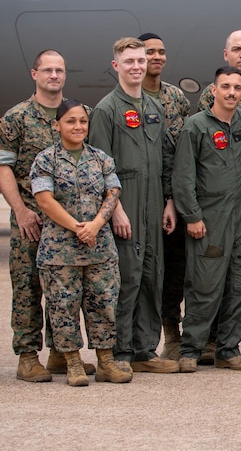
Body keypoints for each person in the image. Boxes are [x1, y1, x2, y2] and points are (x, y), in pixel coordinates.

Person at [1, 50, 95, 381]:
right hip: (31, 220)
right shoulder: (17, 117)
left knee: (67, 292)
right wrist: (21, 211)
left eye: (59, 70)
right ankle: (28, 356)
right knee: (27, 288)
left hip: (68, 223)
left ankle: (60, 353)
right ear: (34, 74)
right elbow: (4, 168)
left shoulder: (78, 113)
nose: (54, 75)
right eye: (48, 70)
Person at [88, 37, 179, 374]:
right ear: (116, 66)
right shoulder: (106, 110)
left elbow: (165, 158)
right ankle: (120, 352)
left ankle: (145, 350)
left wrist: (169, 202)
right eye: (129, 62)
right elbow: (99, 167)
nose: (137, 67)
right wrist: (116, 210)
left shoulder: (154, 108)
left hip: (155, 203)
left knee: (153, 276)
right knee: (127, 279)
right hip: (125, 203)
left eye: (141, 61)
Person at [30, 100, 131, 386]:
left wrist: (96, 225)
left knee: (104, 305)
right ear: (57, 125)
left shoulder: (101, 158)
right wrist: (76, 227)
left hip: (99, 249)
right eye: (71, 121)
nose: (78, 126)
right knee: (63, 308)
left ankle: (106, 362)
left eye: (83, 121)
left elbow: (112, 193)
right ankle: (72, 363)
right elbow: (44, 200)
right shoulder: (46, 159)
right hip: (60, 252)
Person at [173, 67, 241, 372]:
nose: (232, 92)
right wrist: (192, 216)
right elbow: (183, 176)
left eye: (236, 87)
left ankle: (228, 349)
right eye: (225, 87)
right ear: (214, 90)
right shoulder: (196, 127)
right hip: (209, 217)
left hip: (238, 216)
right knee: (204, 285)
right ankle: (191, 349)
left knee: (240, 284)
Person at [139, 32, 192, 363]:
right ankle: (139, 340)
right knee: (142, 272)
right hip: (140, 197)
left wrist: (174, 198)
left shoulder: (176, 97)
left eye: (160, 52)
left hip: (173, 197)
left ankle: (172, 334)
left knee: (174, 270)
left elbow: (181, 152)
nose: (156, 57)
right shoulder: (128, 98)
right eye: (149, 52)